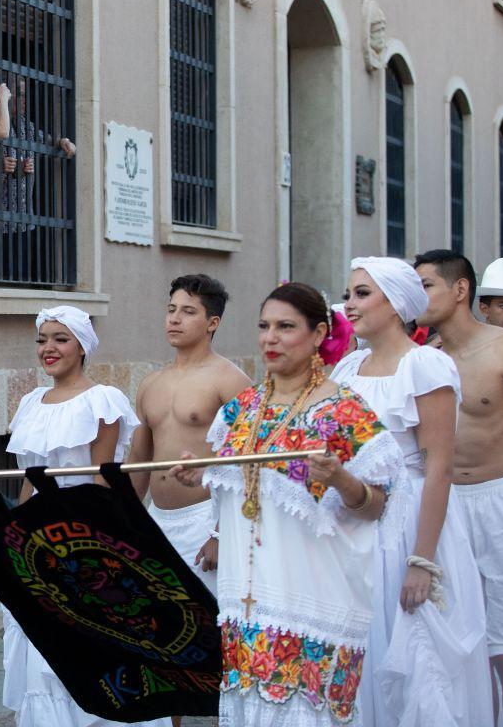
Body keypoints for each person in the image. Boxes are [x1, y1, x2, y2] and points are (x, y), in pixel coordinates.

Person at [172, 282, 399, 726]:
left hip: (311, 597)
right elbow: (232, 484)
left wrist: (340, 479)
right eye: (264, 326)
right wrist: (200, 471)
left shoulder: (344, 411)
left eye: (285, 327)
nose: (270, 337)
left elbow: (377, 506)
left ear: (318, 335)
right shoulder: (241, 409)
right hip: (246, 600)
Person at [330, 256, 493, 726]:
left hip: (411, 519)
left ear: (395, 302)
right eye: (349, 294)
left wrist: (422, 561)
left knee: (418, 653)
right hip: (355, 514)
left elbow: (440, 466)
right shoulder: (348, 369)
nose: (350, 305)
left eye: (362, 294)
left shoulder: (425, 366)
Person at [0, 306, 166, 727]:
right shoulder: (30, 402)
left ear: (82, 346)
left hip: (81, 533)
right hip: (33, 536)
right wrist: (14, 534)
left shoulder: (101, 400)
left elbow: (101, 477)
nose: (49, 348)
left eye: (60, 339)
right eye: (42, 339)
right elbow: (26, 480)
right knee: (42, 649)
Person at [414, 250, 503, 726]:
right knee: (460, 647)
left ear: (460, 291)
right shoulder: (426, 361)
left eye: (426, 285)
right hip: (447, 509)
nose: (415, 296)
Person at [129, 275, 250, 596]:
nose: (175, 318)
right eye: (171, 309)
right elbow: (139, 459)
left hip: (205, 517)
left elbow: (248, 463)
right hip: (158, 520)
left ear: (212, 322)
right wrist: (123, 520)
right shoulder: (151, 382)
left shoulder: (231, 380)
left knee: (208, 622)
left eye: (188, 311)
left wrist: (221, 533)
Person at [0, 74, 76, 238]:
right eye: (19, 94)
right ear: (5, 94)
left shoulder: (27, 126)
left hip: (24, 221)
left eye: (25, 95)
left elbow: (49, 142)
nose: (24, 99)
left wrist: (63, 142)